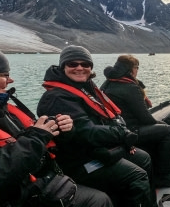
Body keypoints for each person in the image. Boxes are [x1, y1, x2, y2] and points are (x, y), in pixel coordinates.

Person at [36, 45, 155, 207]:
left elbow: (109, 117)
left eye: (85, 64)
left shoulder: (85, 87)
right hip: (79, 162)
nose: (79, 68)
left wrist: (122, 136)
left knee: (144, 158)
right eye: (72, 64)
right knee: (137, 176)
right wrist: (122, 135)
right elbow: (87, 133)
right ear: (63, 66)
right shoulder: (57, 98)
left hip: (95, 149)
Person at [0, 51, 113, 207]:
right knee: (103, 197)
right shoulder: (56, 97)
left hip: (41, 178)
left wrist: (65, 129)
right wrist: (38, 136)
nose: (10, 80)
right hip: (20, 194)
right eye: (4, 75)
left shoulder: (5, 110)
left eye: (85, 64)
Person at [100, 54, 170, 187]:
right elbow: (145, 118)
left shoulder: (108, 82)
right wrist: (160, 123)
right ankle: (163, 174)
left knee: (162, 126)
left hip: (116, 129)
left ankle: (167, 166)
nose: (137, 70)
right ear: (131, 69)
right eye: (136, 67)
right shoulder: (130, 87)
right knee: (168, 130)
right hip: (130, 131)